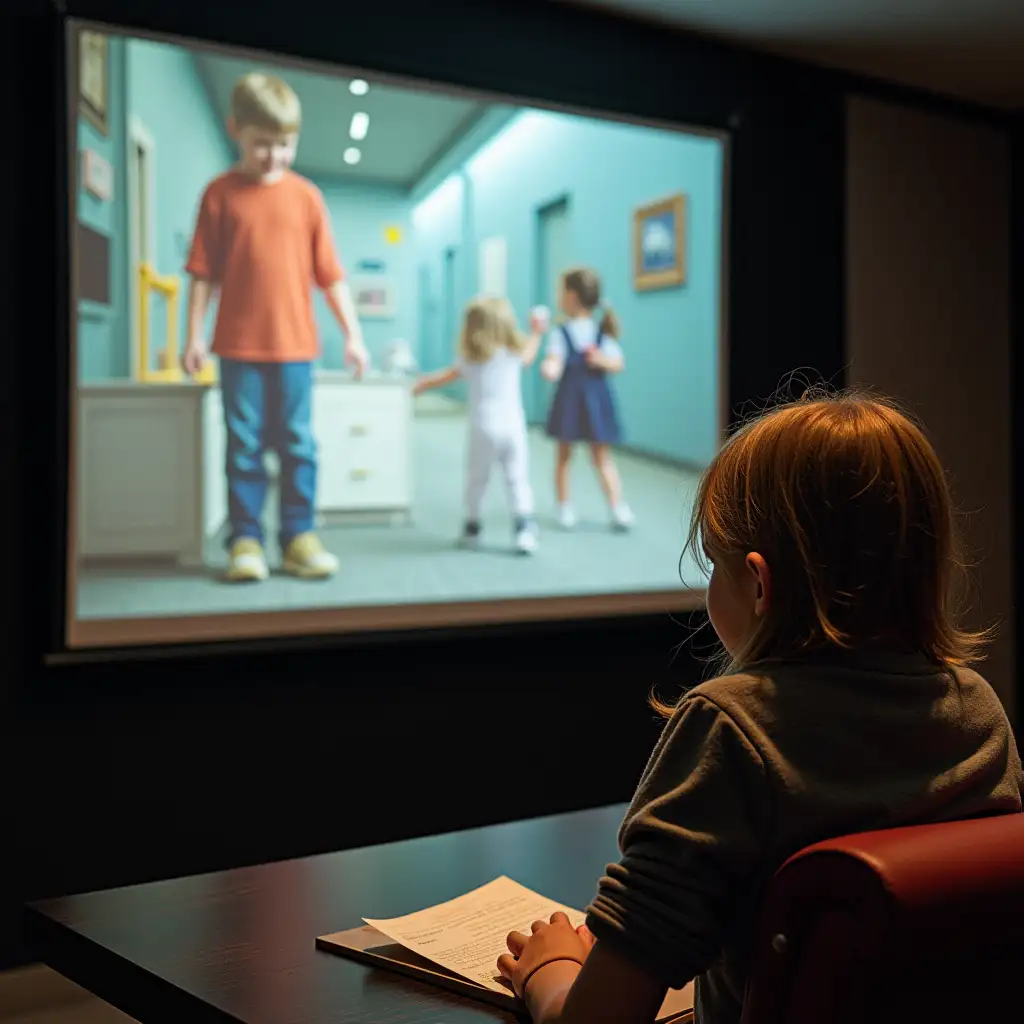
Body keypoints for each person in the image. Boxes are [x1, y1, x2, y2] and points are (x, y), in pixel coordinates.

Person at [494, 390, 1023, 1024]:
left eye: (714, 566)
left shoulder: (733, 727)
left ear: (759, 583)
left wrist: (551, 970)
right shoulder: (980, 713)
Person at [183, 72, 369, 583]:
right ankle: (245, 540)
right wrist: (193, 335)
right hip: (238, 348)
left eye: (284, 145)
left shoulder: (307, 197)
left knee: (297, 445)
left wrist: (353, 335)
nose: (274, 156)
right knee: (242, 445)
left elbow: (331, 277)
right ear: (235, 130)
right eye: (262, 144)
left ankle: (298, 537)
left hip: (295, 349)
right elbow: (202, 273)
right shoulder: (219, 195)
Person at [414, 297, 544, 555]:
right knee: (517, 478)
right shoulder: (514, 353)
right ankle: (524, 531)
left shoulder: (471, 359)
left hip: (483, 428)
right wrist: (537, 332)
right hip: (513, 428)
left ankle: (472, 529)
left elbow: (443, 377)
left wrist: (420, 385)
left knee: (477, 480)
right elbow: (530, 353)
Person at [540, 267, 633, 532]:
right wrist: (550, 367)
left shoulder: (600, 332)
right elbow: (554, 360)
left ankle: (617, 507)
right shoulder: (561, 332)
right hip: (569, 401)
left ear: (571, 295)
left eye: (561, 291)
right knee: (564, 455)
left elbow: (617, 362)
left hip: (595, 402)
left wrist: (600, 360)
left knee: (601, 456)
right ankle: (564, 505)